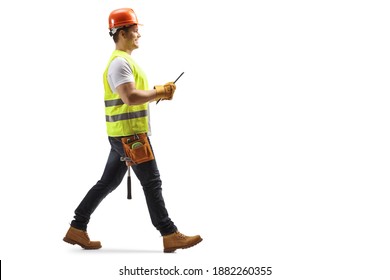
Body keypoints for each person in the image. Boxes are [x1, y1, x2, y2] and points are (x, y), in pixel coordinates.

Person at [63, 7, 202, 253]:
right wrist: (160, 91)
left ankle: (77, 227)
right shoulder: (119, 63)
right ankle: (169, 233)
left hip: (123, 134)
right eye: (136, 30)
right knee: (152, 182)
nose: (139, 35)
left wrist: (159, 93)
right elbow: (129, 97)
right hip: (130, 136)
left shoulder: (124, 61)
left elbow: (132, 96)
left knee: (107, 182)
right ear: (123, 32)